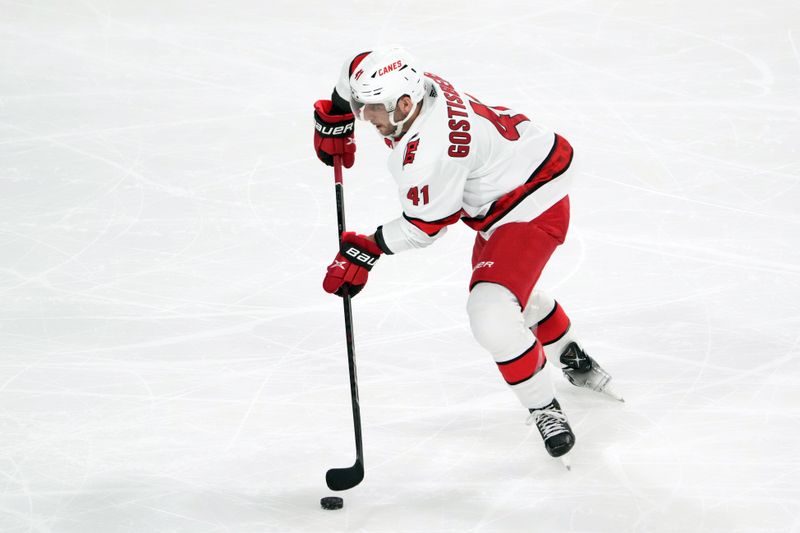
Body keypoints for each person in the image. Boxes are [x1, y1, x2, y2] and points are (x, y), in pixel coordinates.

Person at [312, 47, 621, 465]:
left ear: (404, 105)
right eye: (361, 107)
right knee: (510, 293)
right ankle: (570, 353)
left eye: (371, 110)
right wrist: (336, 114)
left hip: (532, 202)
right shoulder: (415, 87)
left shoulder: (430, 152)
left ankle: (543, 406)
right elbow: (355, 68)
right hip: (520, 168)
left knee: (491, 312)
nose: (365, 118)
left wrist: (366, 250)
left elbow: (423, 229)